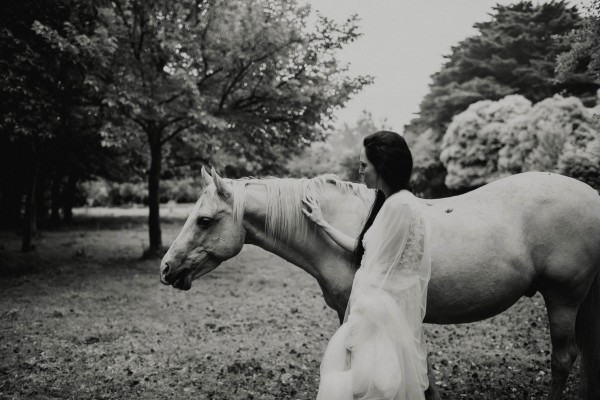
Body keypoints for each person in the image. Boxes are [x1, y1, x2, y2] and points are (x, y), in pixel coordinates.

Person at [302, 130, 432, 400]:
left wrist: (359, 320)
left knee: (372, 388)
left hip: (379, 317)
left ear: (381, 166)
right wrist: (322, 223)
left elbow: (379, 274)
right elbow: (364, 251)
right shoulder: (396, 203)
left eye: (364, 165)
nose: (360, 171)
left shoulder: (399, 208)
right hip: (382, 313)